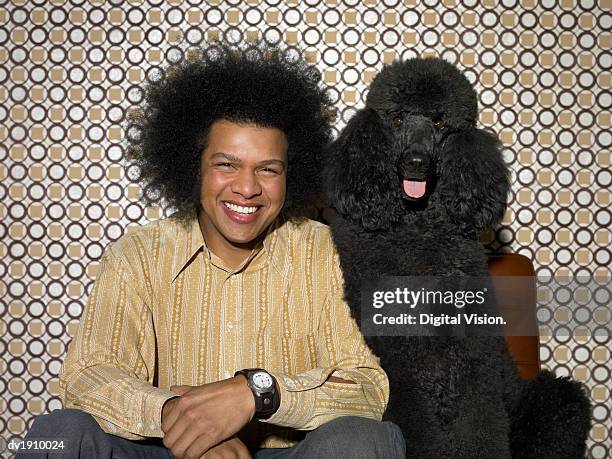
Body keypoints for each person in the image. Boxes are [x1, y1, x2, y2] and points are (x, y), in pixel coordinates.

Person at [17, 43, 405, 458]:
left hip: (291, 452)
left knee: (365, 439)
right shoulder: (138, 255)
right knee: (55, 432)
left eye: (267, 169)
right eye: (227, 165)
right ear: (194, 167)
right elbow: (88, 377)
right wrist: (186, 423)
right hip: (163, 446)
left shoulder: (329, 254)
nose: (247, 187)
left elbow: (367, 388)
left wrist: (257, 394)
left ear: (290, 175)